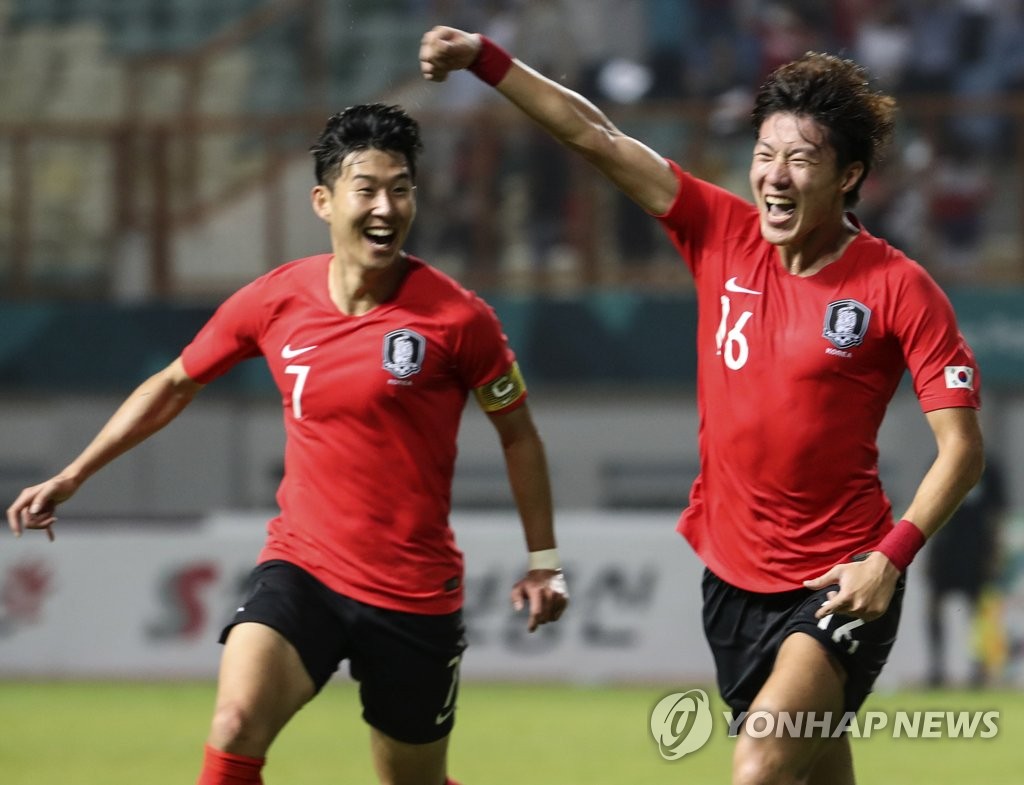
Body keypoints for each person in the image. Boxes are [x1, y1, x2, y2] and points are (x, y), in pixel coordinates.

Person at [419, 28, 984, 785]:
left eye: (802, 159)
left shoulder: (897, 287)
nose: (775, 177)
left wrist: (889, 559)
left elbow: (963, 448)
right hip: (731, 577)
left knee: (757, 768)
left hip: (840, 579)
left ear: (849, 176)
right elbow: (595, 135)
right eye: (765, 154)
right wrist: (489, 60)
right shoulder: (719, 232)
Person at [6, 103, 569, 785]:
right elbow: (176, 382)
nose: (386, 206)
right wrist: (74, 474)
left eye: (401, 188)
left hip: (412, 593)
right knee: (234, 726)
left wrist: (543, 558)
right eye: (367, 189)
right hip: (302, 568)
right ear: (324, 201)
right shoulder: (277, 299)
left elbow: (519, 434)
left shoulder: (460, 319)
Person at [925, 454, 1007, 687]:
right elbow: (926, 507)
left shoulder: (990, 468)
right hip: (945, 548)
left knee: (978, 611)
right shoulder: (939, 460)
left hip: (976, 550)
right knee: (934, 607)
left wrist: (995, 554)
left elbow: (996, 515)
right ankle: (937, 667)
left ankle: (978, 668)